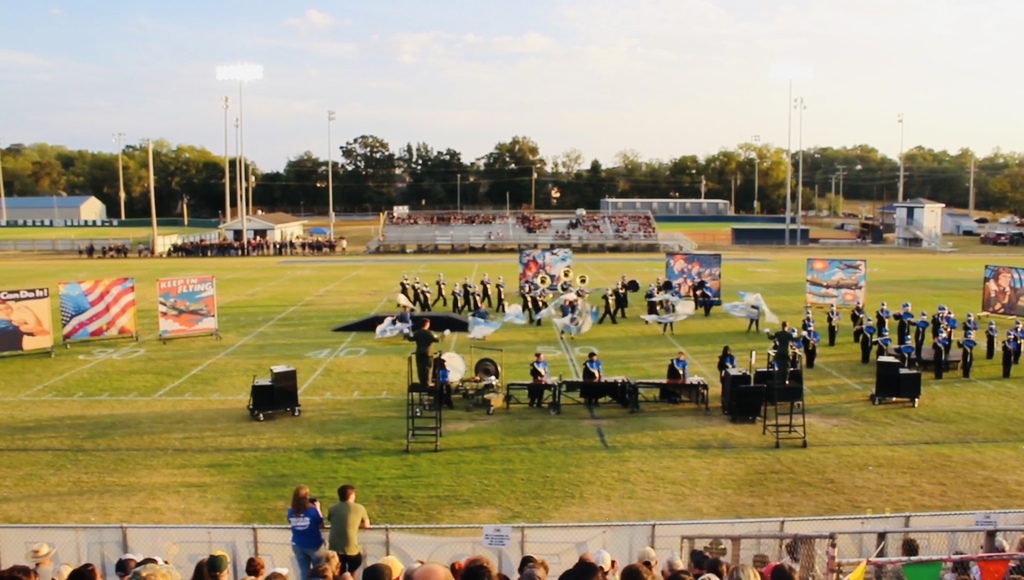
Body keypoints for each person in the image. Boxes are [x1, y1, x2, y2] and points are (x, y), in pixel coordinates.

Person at [327, 484, 370, 576]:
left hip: (335, 549)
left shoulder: (332, 508)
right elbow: (366, 525)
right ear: (351, 495)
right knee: (354, 566)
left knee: (337, 571)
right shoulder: (360, 508)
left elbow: (331, 519)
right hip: (351, 550)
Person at [286, 485, 325, 577]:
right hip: (314, 546)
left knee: (304, 572)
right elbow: (321, 524)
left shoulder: (290, 511)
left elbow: (290, 521)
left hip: (298, 545)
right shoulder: (312, 511)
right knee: (318, 572)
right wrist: (318, 508)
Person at [405, 319, 442, 387]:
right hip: (428, 353)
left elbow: (410, 338)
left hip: (419, 352)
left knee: (420, 368)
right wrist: (444, 335)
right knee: (428, 368)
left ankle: (422, 382)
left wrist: (406, 334)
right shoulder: (430, 333)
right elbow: (438, 340)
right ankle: (428, 383)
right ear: (427, 324)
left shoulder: (417, 332)